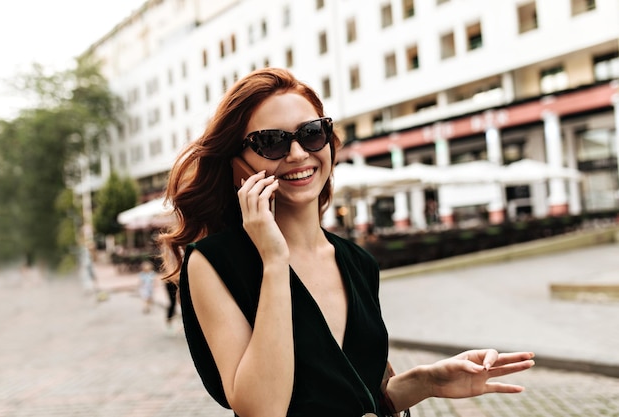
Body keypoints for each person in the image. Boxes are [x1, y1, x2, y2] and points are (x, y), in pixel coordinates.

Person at [158, 68, 535, 417]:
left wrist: (425, 382)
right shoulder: (213, 263)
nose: (297, 154)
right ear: (238, 163)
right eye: (271, 142)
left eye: (311, 133)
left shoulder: (358, 262)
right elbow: (262, 408)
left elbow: (361, 393)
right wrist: (274, 261)